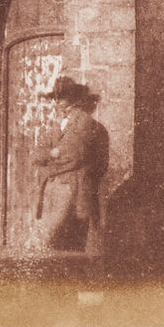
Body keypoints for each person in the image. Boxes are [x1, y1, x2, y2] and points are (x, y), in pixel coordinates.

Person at [33, 77, 108, 254]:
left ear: (74, 99)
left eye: (62, 97)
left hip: (72, 187)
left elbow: (73, 157)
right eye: (55, 97)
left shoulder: (85, 122)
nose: (57, 101)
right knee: (53, 243)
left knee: (53, 238)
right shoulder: (57, 123)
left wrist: (49, 158)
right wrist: (52, 153)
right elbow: (36, 154)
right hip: (52, 187)